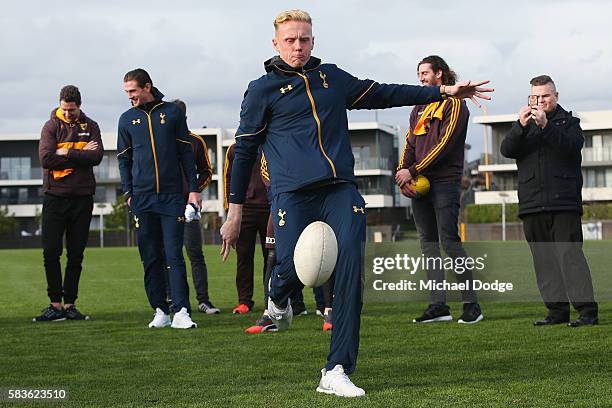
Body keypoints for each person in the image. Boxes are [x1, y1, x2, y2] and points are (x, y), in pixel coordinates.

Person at [220, 9, 492, 397]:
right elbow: (244, 151)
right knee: (293, 269)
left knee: (348, 273)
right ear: (276, 43)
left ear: (313, 41)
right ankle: (277, 299)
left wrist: (444, 91)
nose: (298, 46)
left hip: (339, 190)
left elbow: (386, 91)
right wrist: (234, 212)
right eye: (291, 40)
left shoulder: (332, 78)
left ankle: (336, 370)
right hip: (291, 194)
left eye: (305, 39)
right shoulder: (261, 90)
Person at [500, 75, 598, 327]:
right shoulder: (523, 126)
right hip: (532, 204)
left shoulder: (570, 123)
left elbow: (571, 146)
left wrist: (546, 126)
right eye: (535, 97)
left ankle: (587, 311)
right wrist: (519, 127)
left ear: (556, 96)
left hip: (564, 203)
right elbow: (507, 150)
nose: (540, 100)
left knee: (570, 257)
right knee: (544, 261)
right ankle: (556, 312)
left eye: (545, 96)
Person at [396, 56, 483, 324]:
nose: (420, 78)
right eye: (418, 74)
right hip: (420, 184)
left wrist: (414, 170)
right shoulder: (418, 107)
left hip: (445, 182)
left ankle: (472, 305)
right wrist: (403, 174)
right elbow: (409, 144)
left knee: (449, 241)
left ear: (440, 74)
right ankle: (439, 306)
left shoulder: (455, 104)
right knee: (428, 244)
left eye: (425, 73)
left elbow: (444, 145)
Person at [117, 68, 201, 329]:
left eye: (133, 91)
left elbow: (186, 154)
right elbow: (124, 161)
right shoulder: (126, 119)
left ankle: (182, 311)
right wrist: (128, 193)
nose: (129, 96)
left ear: (147, 86)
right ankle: (160, 310)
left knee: (174, 255)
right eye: (126, 92)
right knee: (151, 256)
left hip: (171, 197)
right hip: (141, 199)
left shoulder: (173, 113)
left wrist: (194, 189)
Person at [34, 85, 103, 322]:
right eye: (65, 109)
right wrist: (79, 151)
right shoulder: (51, 126)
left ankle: (70, 305)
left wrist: (65, 152)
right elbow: (46, 159)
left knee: (76, 255)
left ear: (79, 106)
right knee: (50, 252)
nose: (68, 113)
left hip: (82, 198)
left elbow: (97, 157)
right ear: (60, 105)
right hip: (54, 197)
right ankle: (55, 305)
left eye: (72, 110)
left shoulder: (91, 126)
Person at [170, 99, 220, 315]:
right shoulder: (162, 141)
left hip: (189, 207)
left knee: (195, 253)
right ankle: (171, 299)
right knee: (169, 254)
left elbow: (207, 172)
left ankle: (204, 300)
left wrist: (194, 190)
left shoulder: (196, 141)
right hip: (166, 206)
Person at [223, 143, 272, 314]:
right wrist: (230, 211)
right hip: (244, 210)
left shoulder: (271, 143)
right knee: (244, 257)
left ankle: (272, 299)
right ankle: (244, 301)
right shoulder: (234, 149)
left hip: (270, 208)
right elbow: (227, 179)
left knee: (272, 257)